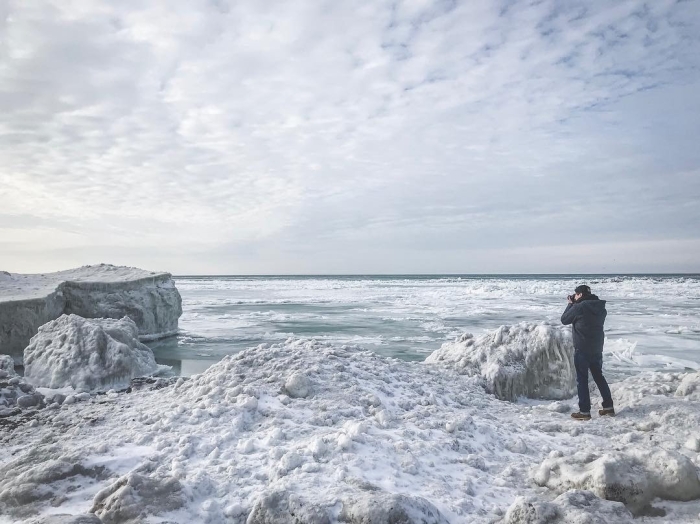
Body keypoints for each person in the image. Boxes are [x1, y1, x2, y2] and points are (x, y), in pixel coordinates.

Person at [561, 284, 614, 420]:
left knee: (582, 380)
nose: (574, 296)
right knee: (599, 377)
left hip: (582, 348)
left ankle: (584, 412)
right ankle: (608, 407)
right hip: (597, 347)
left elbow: (564, 319)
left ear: (580, 295)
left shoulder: (579, 307)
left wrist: (570, 304)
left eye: (576, 294)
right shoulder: (601, 308)